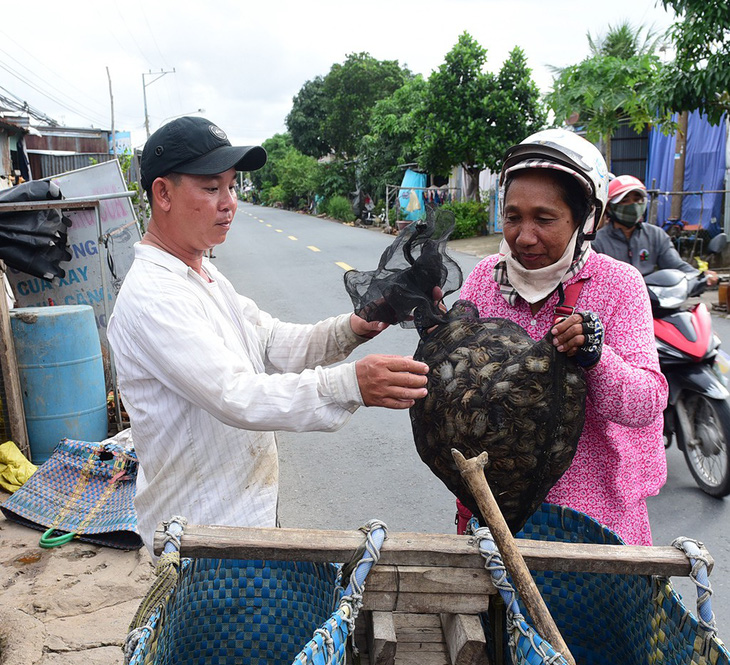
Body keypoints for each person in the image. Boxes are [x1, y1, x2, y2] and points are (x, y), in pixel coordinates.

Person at [108, 116, 429, 555]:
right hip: (201, 538)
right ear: (162, 193)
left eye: (233, 186)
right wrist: (350, 384)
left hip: (240, 521)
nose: (229, 203)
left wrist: (356, 327)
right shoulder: (154, 296)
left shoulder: (202, 275)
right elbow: (235, 394)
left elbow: (271, 343)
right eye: (211, 188)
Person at [458, 129, 668, 545]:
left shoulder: (618, 284)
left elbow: (646, 402)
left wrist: (596, 355)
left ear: (587, 220)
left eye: (545, 218)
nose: (524, 236)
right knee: (498, 610)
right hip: (496, 506)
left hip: (592, 513)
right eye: (513, 216)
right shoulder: (485, 279)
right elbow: (461, 382)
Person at [592, 174, 719, 286]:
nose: (633, 205)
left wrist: (700, 275)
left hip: (655, 301)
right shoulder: (597, 242)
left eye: (637, 200)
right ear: (609, 207)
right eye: (625, 201)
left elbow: (675, 265)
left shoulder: (656, 235)